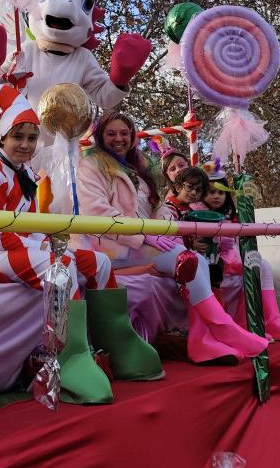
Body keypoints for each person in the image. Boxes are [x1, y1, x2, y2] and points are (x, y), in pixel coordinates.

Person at [0, 85, 160, 403]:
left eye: (31, 138)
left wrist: (44, 242)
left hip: (16, 246)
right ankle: (67, 356)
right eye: (18, 137)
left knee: (100, 263)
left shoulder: (25, 173)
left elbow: (32, 225)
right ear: (2, 139)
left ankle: (115, 342)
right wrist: (44, 246)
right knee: (61, 264)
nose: (26, 145)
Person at [76, 111, 266, 361]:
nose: (119, 138)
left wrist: (169, 233)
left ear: (132, 136)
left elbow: (159, 208)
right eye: (111, 133)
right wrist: (145, 233)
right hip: (109, 246)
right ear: (100, 136)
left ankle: (204, 340)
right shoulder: (90, 164)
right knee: (185, 259)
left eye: (124, 133)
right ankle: (221, 329)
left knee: (193, 260)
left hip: (139, 242)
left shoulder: (139, 164)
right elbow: (97, 212)